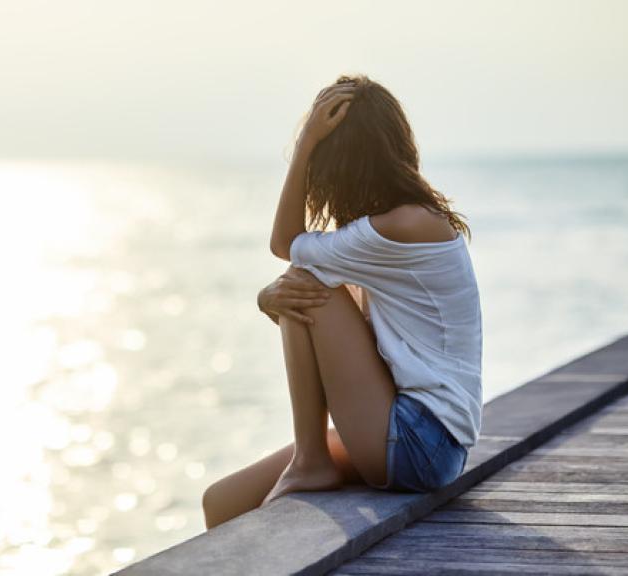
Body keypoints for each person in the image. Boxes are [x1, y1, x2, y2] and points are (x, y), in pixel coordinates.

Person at [201, 74, 483, 529]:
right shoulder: (397, 226)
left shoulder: (401, 226)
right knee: (222, 501)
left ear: (341, 163)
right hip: (417, 438)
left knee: (303, 278)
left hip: (420, 441)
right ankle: (309, 461)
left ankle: (311, 459)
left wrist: (305, 143)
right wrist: (267, 297)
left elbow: (286, 244)